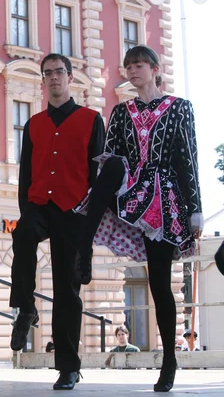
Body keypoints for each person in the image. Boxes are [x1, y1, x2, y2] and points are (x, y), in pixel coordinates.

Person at [75, 46, 203, 393]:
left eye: (139, 64)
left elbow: (187, 158)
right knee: (112, 161)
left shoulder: (179, 108)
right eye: (128, 65)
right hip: (129, 190)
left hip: (164, 200)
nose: (132, 70)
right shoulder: (120, 111)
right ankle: (83, 245)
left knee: (159, 284)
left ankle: (169, 363)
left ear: (154, 69)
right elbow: (111, 157)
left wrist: (195, 208)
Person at [8, 53, 105, 391]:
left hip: (75, 210)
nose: (53, 78)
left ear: (70, 76)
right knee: (21, 235)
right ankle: (25, 309)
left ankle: (68, 367)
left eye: (58, 72)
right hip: (39, 204)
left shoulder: (92, 120)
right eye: (47, 73)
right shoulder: (34, 124)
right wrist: (25, 210)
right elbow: (25, 174)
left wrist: (90, 229)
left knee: (67, 290)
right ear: (43, 80)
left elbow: (98, 176)